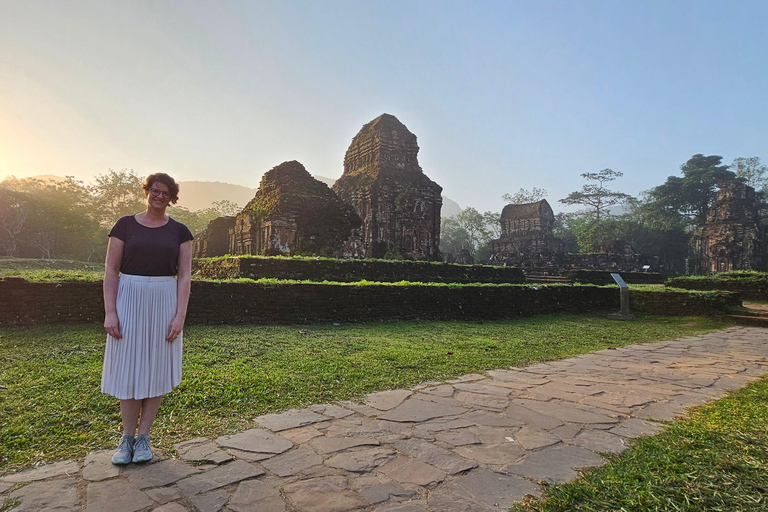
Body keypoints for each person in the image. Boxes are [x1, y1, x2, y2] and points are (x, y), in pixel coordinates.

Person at [101, 173, 193, 464]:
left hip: (164, 299)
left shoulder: (180, 231)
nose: (159, 196)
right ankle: (126, 437)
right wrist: (110, 311)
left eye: (166, 193)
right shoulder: (125, 225)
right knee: (129, 366)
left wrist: (180, 315)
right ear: (147, 191)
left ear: (172, 197)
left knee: (155, 368)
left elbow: (185, 276)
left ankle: (144, 437)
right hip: (129, 296)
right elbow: (111, 271)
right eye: (155, 190)